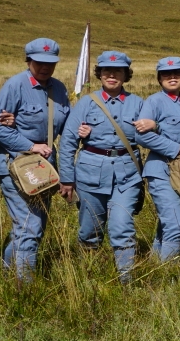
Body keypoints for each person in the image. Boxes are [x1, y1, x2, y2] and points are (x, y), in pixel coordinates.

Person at [58, 51, 145, 284]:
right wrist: (67, 179)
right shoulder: (86, 103)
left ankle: (126, 281)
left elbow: (151, 136)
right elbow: (67, 142)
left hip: (127, 176)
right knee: (89, 231)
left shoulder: (138, 103)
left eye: (118, 71)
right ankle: (90, 280)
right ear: (99, 74)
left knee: (122, 227)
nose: (112, 75)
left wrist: (153, 126)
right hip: (89, 175)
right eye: (107, 70)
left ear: (126, 75)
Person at [0, 37, 70, 282]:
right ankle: (25, 287)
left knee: (32, 228)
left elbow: (67, 123)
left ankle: (6, 274)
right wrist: (30, 145)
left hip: (44, 170)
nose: (45, 67)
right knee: (30, 227)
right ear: (28, 60)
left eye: (50, 63)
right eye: (39, 62)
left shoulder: (60, 88)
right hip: (16, 167)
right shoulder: (15, 86)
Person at [134, 56, 180, 263]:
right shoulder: (154, 102)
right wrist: (176, 148)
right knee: (175, 225)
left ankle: (155, 264)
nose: (172, 77)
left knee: (168, 223)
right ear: (159, 78)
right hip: (162, 170)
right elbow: (141, 135)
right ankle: (168, 275)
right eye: (166, 74)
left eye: (177, 73)